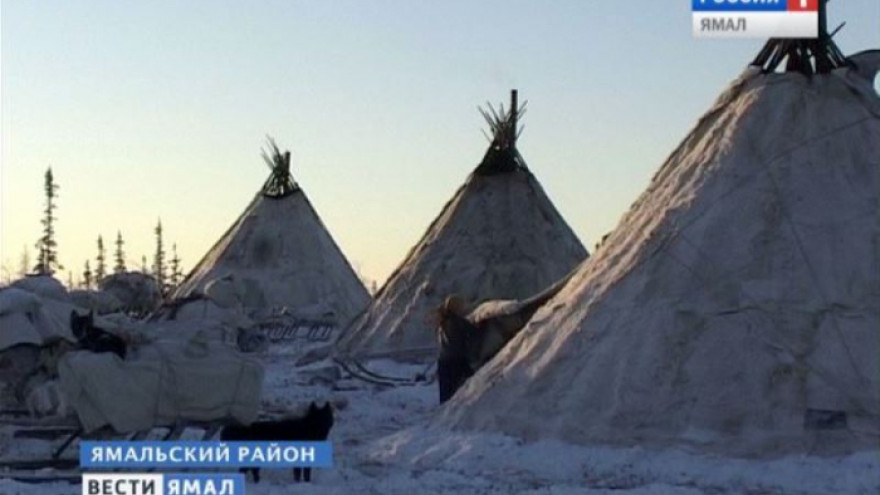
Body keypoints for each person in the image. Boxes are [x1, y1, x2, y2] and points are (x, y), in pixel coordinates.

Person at [435, 295, 476, 403]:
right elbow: (473, 333)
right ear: (456, 308)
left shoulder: (443, 323)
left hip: (443, 363)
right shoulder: (458, 322)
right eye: (461, 306)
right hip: (456, 363)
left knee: (446, 400)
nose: (463, 309)